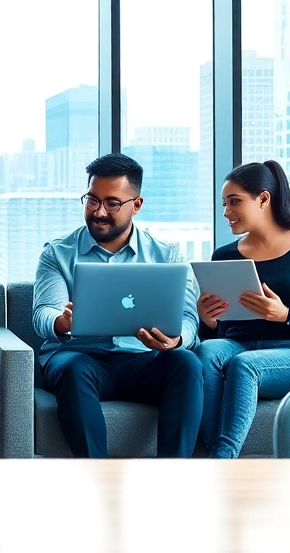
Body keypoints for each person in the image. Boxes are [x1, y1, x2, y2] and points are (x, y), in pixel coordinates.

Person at [32, 153, 201, 458]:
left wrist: (176, 340)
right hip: (81, 357)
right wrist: (63, 321)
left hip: (144, 360)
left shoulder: (167, 255)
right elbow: (43, 312)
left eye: (112, 203)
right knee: (72, 367)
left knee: (186, 364)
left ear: (136, 205)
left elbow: (188, 317)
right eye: (92, 200)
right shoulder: (58, 253)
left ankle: (176, 476)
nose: (98, 212)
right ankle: (98, 479)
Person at [195, 160, 290, 459]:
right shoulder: (224, 256)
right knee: (207, 354)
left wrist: (285, 315)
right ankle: (213, 453)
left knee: (245, 365)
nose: (226, 212)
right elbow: (219, 331)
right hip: (238, 343)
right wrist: (206, 321)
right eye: (224, 203)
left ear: (263, 199)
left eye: (235, 202)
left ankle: (222, 458)